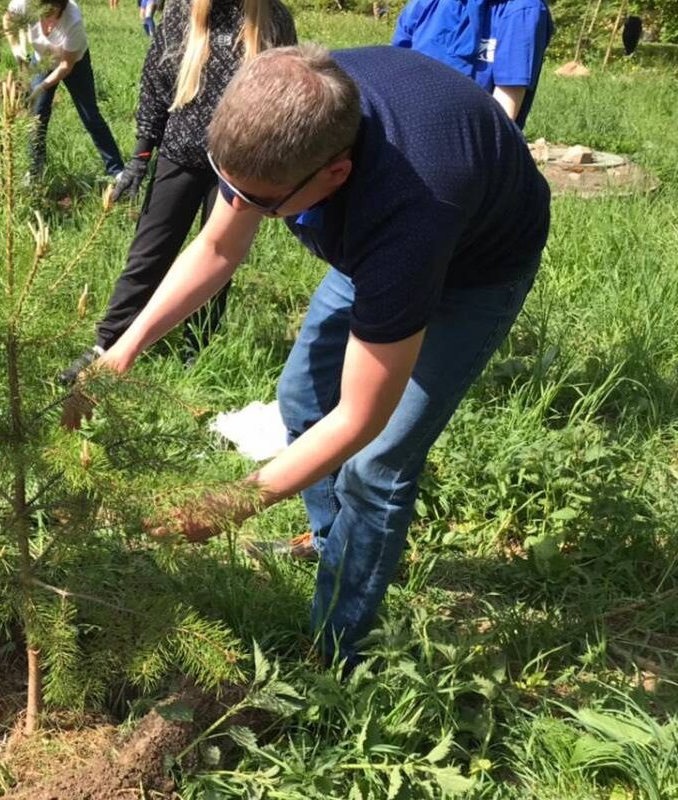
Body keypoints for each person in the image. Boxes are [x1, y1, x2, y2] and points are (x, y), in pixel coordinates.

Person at [80, 45, 550, 666]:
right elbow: (218, 248)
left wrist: (234, 503)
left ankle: (335, 656)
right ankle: (335, 543)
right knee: (303, 395)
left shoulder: (409, 220)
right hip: (377, 242)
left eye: (264, 203)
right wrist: (119, 355)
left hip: (475, 269)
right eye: (229, 185)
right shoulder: (283, 115)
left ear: (334, 174)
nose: (240, 205)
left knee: (376, 466)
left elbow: (361, 419)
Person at [61, 0, 296, 381]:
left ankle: (196, 351)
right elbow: (156, 81)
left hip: (239, 167)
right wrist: (140, 156)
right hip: (180, 154)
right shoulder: (182, 10)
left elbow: (285, 99)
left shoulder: (274, 18)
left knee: (218, 259)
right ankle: (108, 342)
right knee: (148, 253)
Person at [0, 0, 125, 183]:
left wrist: (41, 86)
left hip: (75, 64)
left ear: (62, 6)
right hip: (43, 61)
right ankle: (35, 172)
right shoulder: (24, 3)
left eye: (53, 12)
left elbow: (66, 66)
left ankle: (117, 170)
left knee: (90, 116)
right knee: (37, 117)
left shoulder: (73, 20)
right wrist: (17, 49)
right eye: (44, 11)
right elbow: (8, 19)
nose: (48, 18)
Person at [392, 0, 554, 127]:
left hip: (472, 145)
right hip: (410, 131)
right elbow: (394, 77)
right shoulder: (426, 4)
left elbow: (504, 111)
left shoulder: (521, 10)